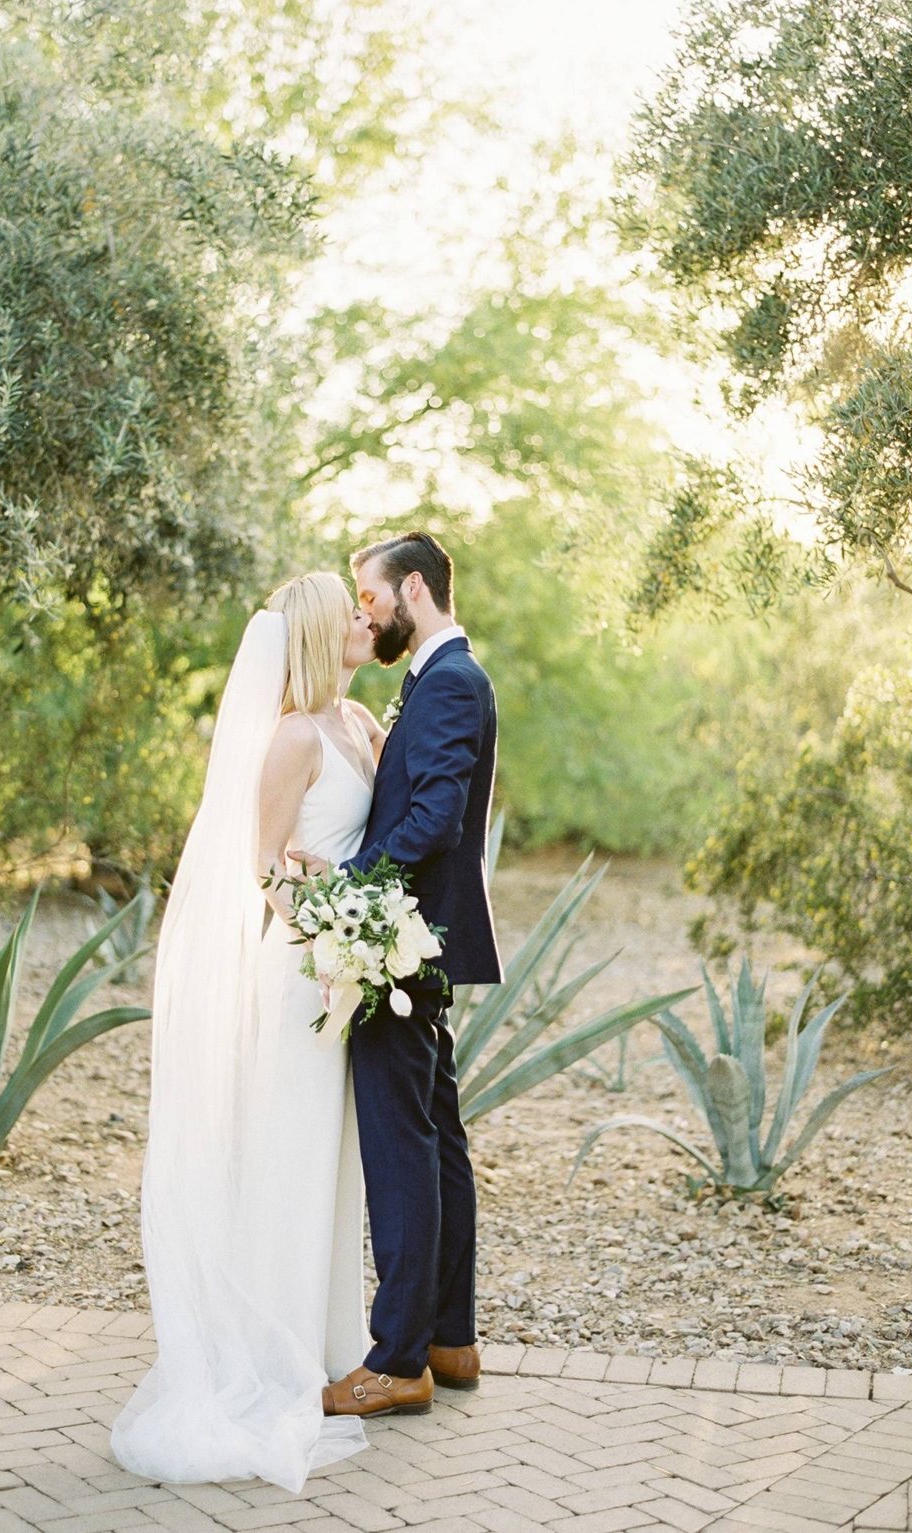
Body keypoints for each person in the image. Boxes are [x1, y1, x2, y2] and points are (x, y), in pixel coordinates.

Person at [110, 572, 385, 1492]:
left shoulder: (360, 723)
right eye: (348, 612)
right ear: (313, 635)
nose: (363, 617)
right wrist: (333, 928)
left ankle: (333, 1343)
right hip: (303, 977)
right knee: (293, 1154)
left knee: (334, 1160)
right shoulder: (291, 738)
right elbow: (264, 870)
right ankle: (279, 1355)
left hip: (352, 977)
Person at [289, 531, 502, 1419]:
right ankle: (451, 1339)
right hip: (416, 942)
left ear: (413, 589)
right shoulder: (434, 678)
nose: (363, 610)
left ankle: (400, 1358)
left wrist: (351, 895)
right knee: (437, 1134)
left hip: (398, 944)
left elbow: (437, 817)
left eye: (370, 595)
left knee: (400, 1148)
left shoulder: (450, 680)